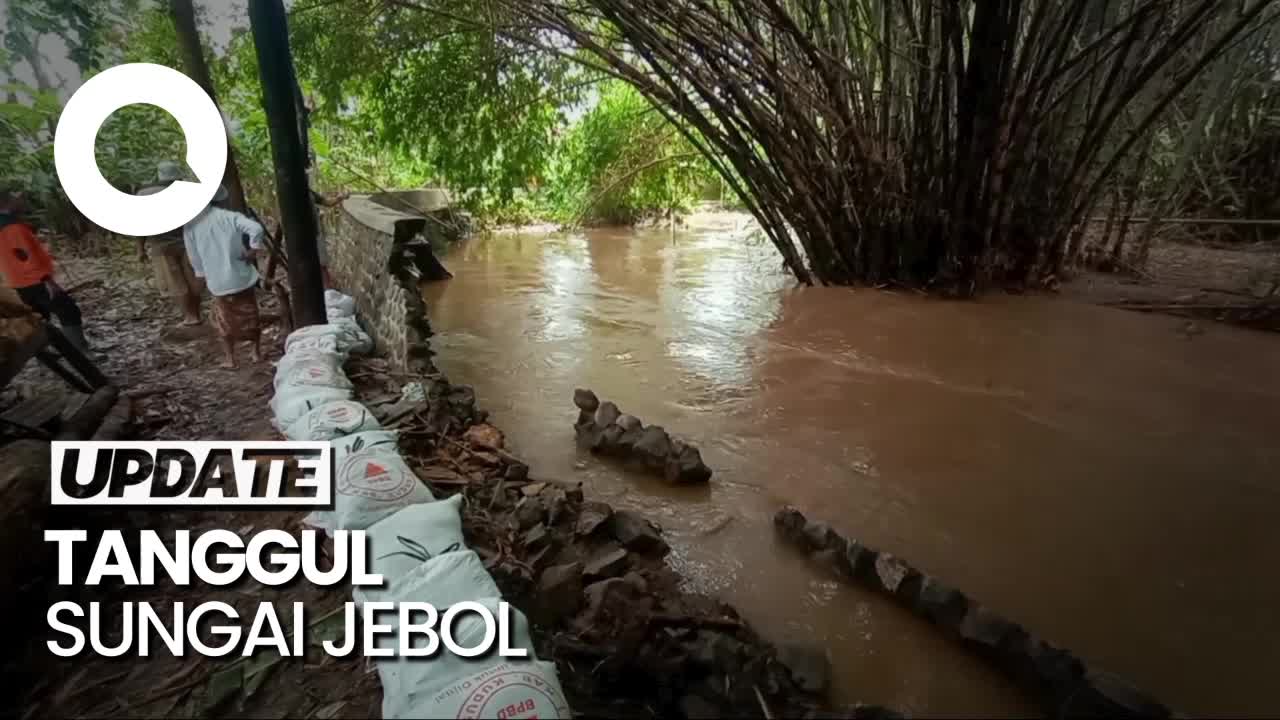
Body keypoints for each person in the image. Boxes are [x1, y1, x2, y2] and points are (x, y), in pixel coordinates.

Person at [183, 185, 267, 369]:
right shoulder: (230, 217)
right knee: (251, 316)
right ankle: (256, 353)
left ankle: (231, 359)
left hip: (218, 281)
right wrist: (253, 249)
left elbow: (194, 256)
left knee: (223, 321)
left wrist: (201, 275)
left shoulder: (190, 226)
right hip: (241, 277)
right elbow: (256, 228)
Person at [0, 188, 90, 352]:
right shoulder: (12, 228)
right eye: (15, 196)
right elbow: (26, 257)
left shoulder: (8, 224)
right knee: (69, 311)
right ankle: (79, 352)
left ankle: (50, 359)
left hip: (16, 281)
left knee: (39, 318)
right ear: (6, 202)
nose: (20, 199)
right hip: (34, 280)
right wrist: (47, 281)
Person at [137, 162, 203, 326]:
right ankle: (196, 314)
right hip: (187, 242)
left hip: (161, 246)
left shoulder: (144, 194)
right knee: (193, 279)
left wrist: (140, 249)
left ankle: (189, 316)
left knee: (176, 282)